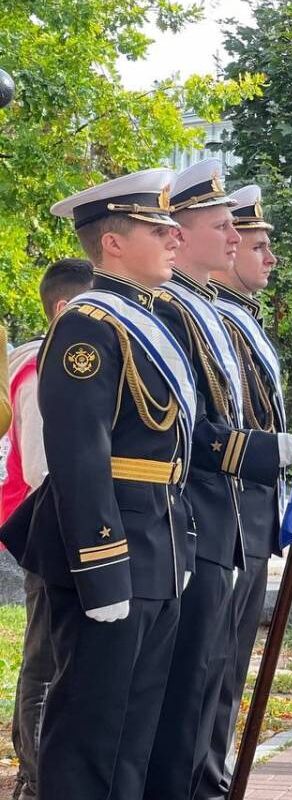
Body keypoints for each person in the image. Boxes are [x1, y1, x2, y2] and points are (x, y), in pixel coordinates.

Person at [146, 160, 292, 800]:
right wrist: (280, 450)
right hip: (205, 512)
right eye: (225, 228)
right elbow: (196, 428)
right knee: (195, 679)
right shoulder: (176, 308)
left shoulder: (209, 310)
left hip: (236, 514)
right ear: (178, 230)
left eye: (241, 232)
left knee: (220, 675)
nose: (237, 242)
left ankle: (204, 780)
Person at [0, 168, 193, 799]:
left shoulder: (149, 320)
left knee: (133, 738)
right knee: (89, 736)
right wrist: (102, 566)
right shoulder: (88, 324)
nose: (173, 238)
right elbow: (80, 454)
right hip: (111, 556)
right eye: (157, 227)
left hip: (156, 547)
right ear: (112, 242)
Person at [197, 183, 292, 799]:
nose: (266, 256)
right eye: (255, 244)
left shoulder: (241, 321)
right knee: (211, 667)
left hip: (249, 503)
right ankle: (204, 775)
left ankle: (213, 768)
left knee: (228, 663)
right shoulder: (215, 321)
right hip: (222, 503)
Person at [2, 258, 93, 800]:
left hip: (60, 522)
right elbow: (42, 467)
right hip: (46, 524)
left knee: (58, 654)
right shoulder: (41, 369)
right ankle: (36, 776)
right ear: (65, 309)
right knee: (45, 659)